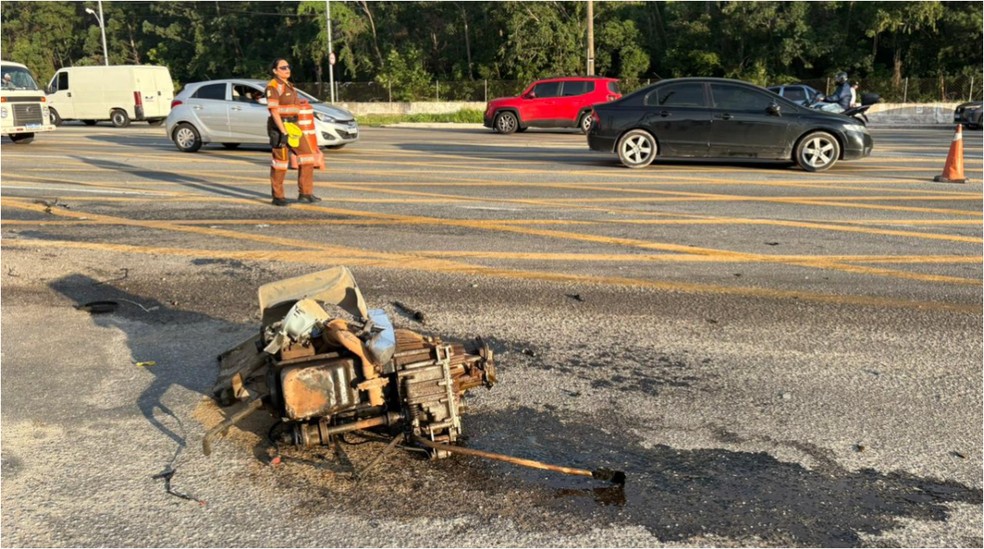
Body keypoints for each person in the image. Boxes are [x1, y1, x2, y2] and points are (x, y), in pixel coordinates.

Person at [265, 57, 321, 206]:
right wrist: (283, 132)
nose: (287, 69)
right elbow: (274, 111)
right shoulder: (273, 86)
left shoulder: (289, 85)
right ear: (275, 71)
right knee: (280, 163)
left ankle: (306, 193)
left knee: (307, 157)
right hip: (280, 126)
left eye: (288, 67)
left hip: (293, 126)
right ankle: (278, 197)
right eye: (283, 67)